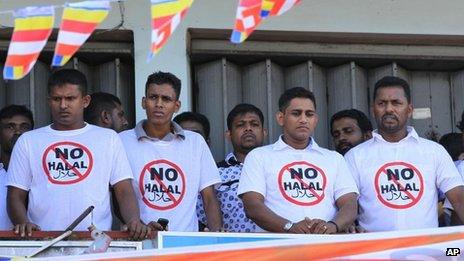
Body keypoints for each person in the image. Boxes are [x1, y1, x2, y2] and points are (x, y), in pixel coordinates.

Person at [6, 69, 151, 239]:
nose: (63, 105)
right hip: (42, 241)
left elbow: (124, 190)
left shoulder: (108, 138)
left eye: (70, 98)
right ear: (48, 101)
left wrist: (134, 220)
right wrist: (23, 223)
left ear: (85, 101)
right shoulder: (28, 141)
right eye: (56, 99)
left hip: (95, 242)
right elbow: (15, 195)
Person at [345, 76, 464, 232]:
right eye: (382, 103)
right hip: (375, 252)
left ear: (409, 110)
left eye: (396, 103)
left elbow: (459, 200)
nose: (388, 109)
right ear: (373, 109)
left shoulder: (434, 151)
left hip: (426, 252)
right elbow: (346, 205)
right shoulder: (355, 156)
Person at [238, 87, 359, 234]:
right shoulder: (259, 156)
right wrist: (289, 227)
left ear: (315, 120)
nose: (303, 120)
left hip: (327, 247)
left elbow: (350, 204)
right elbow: (252, 205)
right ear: (280, 118)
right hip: (277, 249)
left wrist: (332, 226)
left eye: (309, 114)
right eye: (296, 113)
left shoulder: (334, 159)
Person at [119, 71, 223, 232]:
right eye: (153, 97)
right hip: (140, 242)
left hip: (186, 243)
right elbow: (118, 193)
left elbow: (209, 197)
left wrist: (218, 238)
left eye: (166, 99)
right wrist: (137, 225)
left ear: (177, 106)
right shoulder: (122, 141)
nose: (159, 104)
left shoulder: (195, 142)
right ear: (143, 102)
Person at [197, 103, 267, 232]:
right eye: (241, 125)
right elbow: (202, 216)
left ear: (264, 132)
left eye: (254, 124)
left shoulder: (278, 169)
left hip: (276, 247)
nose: (248, 129)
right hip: (231, 248)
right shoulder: (215, 172)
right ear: (228, 135)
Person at [0, 105, 34, 230]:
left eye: (24, 127)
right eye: (10, 127)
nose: (18, 132)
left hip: (40, 244)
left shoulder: (43, 170)